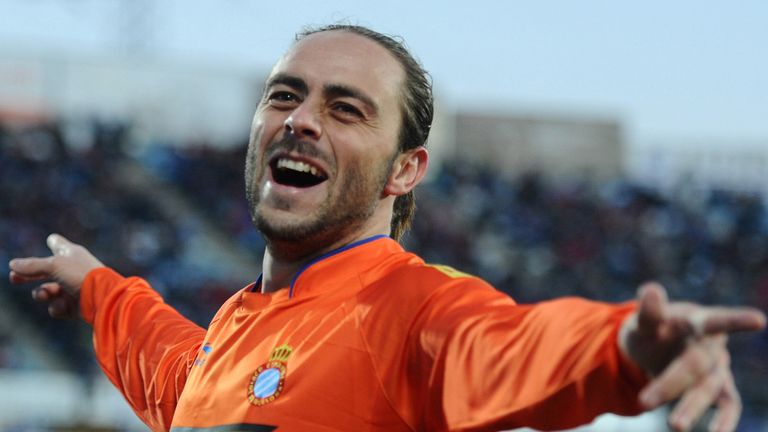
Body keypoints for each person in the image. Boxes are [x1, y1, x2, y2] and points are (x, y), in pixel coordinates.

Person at [8, 25, 766, 432]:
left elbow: (504, 347)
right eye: (285, 95)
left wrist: (622, 347)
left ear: (405, 170)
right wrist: (97, 290)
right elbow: (179, 379)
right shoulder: (236, 327)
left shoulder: (411, 310)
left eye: (346, 108)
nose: (301, 120)